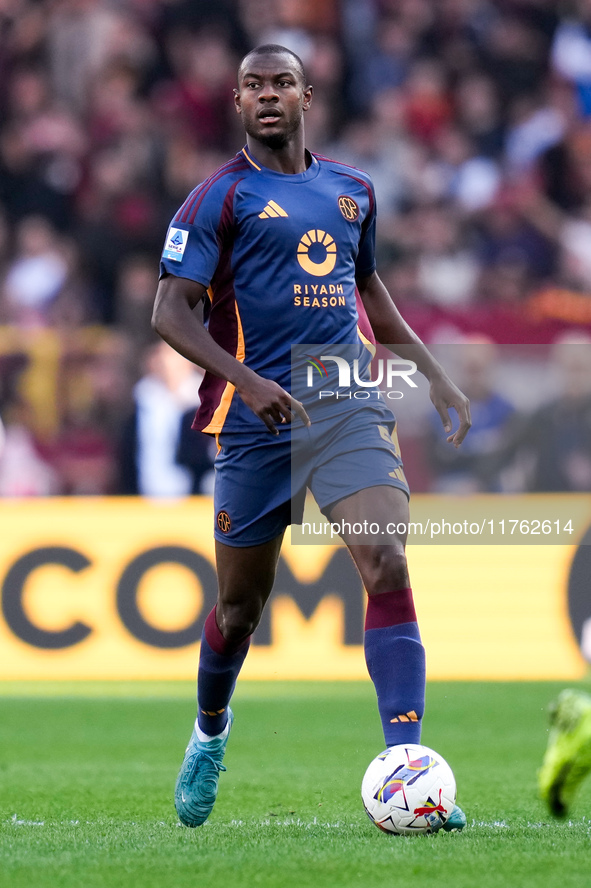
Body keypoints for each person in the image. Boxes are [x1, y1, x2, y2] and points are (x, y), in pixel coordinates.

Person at [152, 44, 471, 830]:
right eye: (254, 85)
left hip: (344, 399)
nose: (268, 96)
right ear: (236, 102)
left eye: (281, 83)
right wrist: (247, 381)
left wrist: (432, 372)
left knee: (386, 557)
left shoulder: (352, 191)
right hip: (257, 419)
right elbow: (168, 311)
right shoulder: (215, 199)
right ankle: (209, 732)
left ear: (306, 96)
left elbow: (369, 291)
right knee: (237, 610)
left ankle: (407, 768)